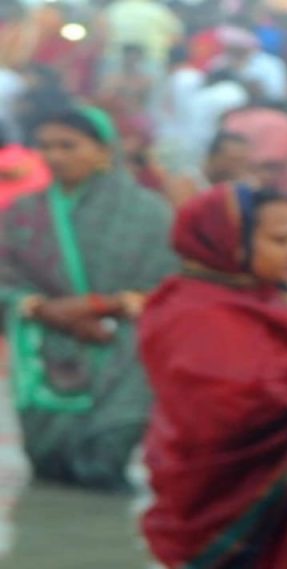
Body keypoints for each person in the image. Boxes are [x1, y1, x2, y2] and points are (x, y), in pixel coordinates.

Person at [140, 185, 287, 569]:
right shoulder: (191, 311)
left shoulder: (273, 293)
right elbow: (233, 404)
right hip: (241, 488)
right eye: (281, 241)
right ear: (228, 240)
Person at [0, 106, 177, 490]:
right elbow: (4, 277)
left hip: (121, 346)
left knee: (106, 457)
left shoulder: (148, 212)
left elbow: (169, 286)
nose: (55, 156)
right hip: (44, 345)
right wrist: (46, 309)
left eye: (68, 145)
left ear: (103, 151)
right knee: (48, 470)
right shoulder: (24, 213)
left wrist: (99, 307)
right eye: (45, 146)